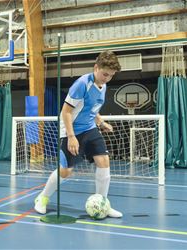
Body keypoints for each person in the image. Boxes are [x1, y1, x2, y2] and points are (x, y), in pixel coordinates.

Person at [34, 51, 123, 218]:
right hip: (71, 129)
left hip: (89, 128)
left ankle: (103, 203)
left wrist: (101, 122)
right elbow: (66, 112)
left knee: (103, 161)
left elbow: (91, 109)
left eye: (111, 76)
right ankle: (42, 197)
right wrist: (71, 137)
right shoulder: (82, 84)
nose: (107, 78)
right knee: (66, 171)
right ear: (96, 68)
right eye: (105, 74)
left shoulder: (103, 86)